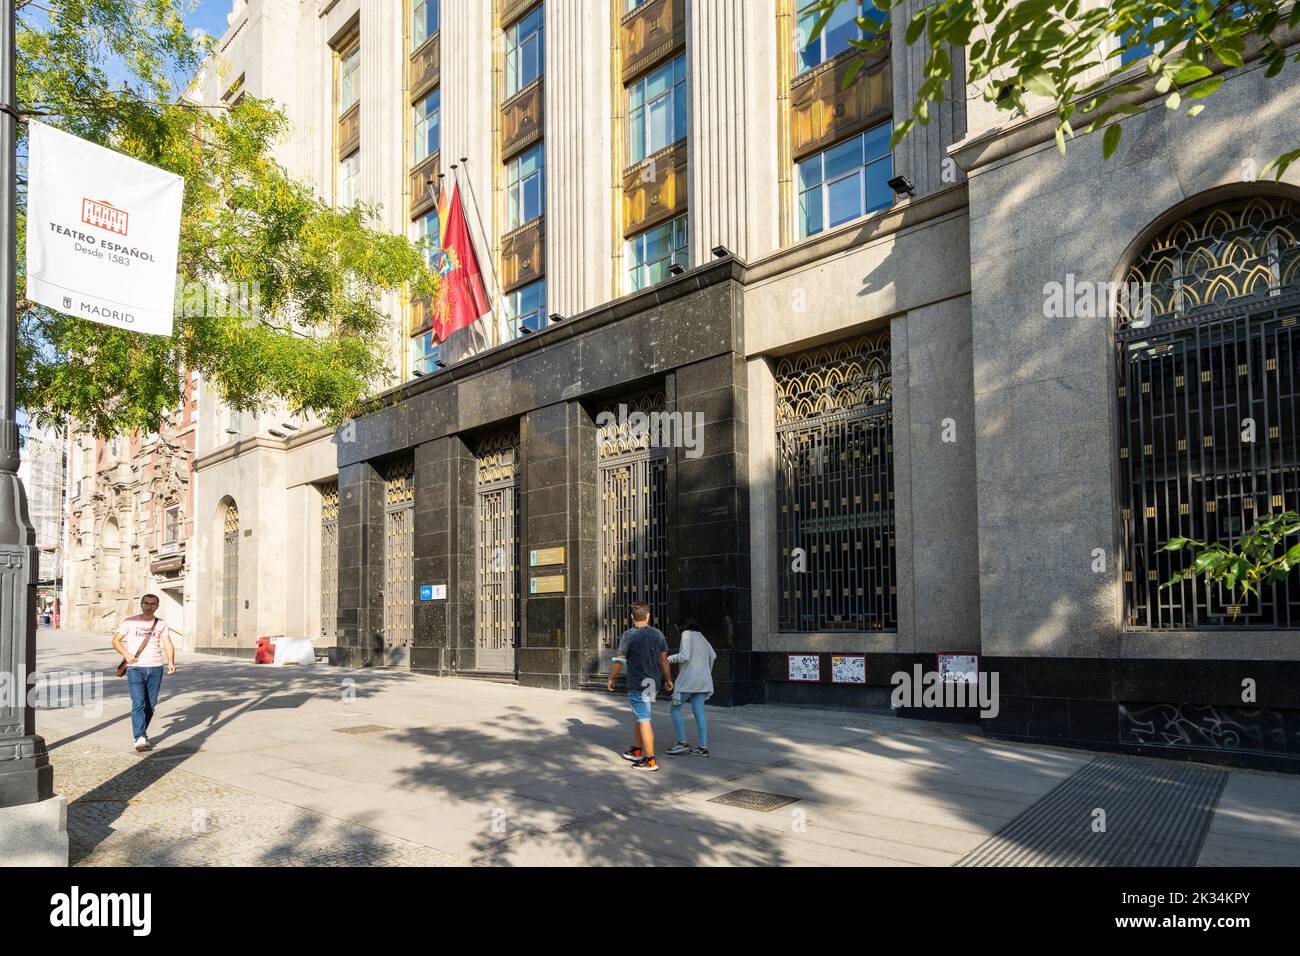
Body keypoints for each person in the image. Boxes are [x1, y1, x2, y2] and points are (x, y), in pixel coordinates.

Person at [607, 601, 672, 771]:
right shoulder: (658, 634)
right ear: (648, 615)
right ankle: (636, 750)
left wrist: (611, 678)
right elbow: (664, 660)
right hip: (653, 682)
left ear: (631, 617)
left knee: (643, 719)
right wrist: (668, 679)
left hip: (638, 683)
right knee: (641, 715)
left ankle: (650, 760)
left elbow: (620, 660)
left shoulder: (629, 635)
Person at [110, 594, 177, 752]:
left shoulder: (161, 624)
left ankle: (141, 732)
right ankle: (140, 736)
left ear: (157, 606)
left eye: (153, 604)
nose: (149, 606)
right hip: (135, 668)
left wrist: (171, 662)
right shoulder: (130, 622)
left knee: (150, 706)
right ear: (141, 604)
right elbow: (115, 640)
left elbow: (168, 643)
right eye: (146, 603)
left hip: (156, 668)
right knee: (138, 703)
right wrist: (126, 654)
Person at [665, 618, 716, 756]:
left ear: (682, 626)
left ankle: (682, 742)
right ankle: (702, 747)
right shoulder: (701, 636)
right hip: (703, 680)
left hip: (689, 680)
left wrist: (667, 659)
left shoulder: (686, 634)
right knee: (699, 713)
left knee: (675, 708)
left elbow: (684, 656)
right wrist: (706, 671)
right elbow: (713, 655)